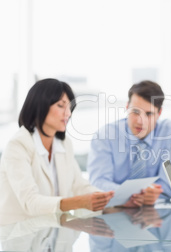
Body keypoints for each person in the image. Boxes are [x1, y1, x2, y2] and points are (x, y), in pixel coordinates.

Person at [0, 79, 114, 218]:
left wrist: (108, 198)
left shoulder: (64, 144)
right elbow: (31, 202)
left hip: (52, 232)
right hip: (21, 234)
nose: (68, 114)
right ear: (40, 106)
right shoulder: (18, 146)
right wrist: (79, 202)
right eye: (61, 106)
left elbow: (79, 186)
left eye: (70, 108)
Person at [87, 80, 171, 206]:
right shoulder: (105, 135)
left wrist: (153, 194)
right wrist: (130, 197)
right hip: (114, 208)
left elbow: (169, 185)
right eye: (135, 112)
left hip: (155, 211)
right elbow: (98, 182)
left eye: (149, 114)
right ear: (127, 107)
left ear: (159, 113)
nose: (140, 121)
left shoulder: (170, 132)